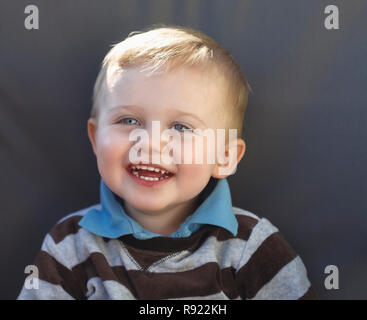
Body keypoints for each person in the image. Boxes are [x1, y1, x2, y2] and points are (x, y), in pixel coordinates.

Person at [17, 24, 316, 300]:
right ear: (96, 139)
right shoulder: (70, 247)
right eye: (129, 120)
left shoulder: (252, 248)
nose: (150, 143)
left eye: (181, 127)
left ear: (224, 156)